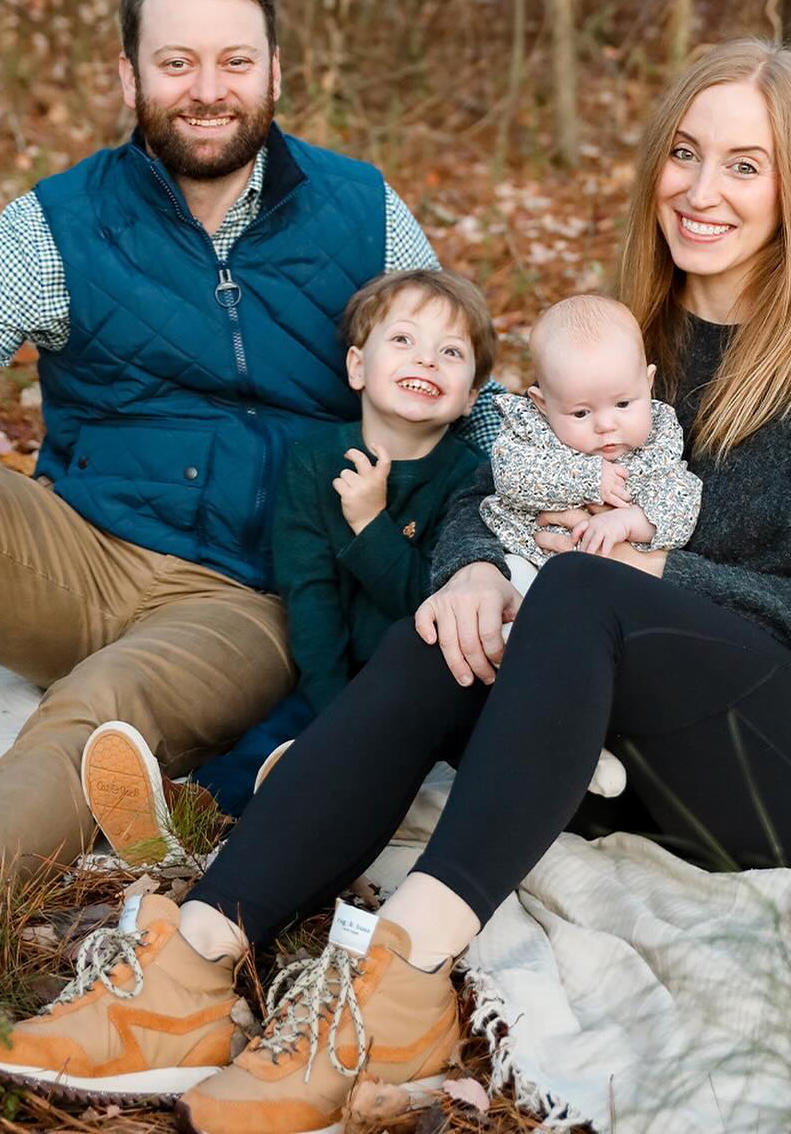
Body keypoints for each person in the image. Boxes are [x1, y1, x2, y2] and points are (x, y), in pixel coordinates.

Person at [0, 37, 791, 1131]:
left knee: (581, 588)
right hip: (654, 750)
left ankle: (403, 980)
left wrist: (661, 568)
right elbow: (495, 485)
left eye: (743, 164)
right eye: (684, 152)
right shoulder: (631, 334)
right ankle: (194, 965)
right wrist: (474, 568)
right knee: (452, 628)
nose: (700, 189)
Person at [0, 0, 498, 1069]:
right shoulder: (61, 222)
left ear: (276, 69)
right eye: (176, 59)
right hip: (75, 548)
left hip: (243, 599)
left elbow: (459, 381)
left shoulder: (359, 209)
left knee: (109, 700)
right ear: (129, 75)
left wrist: (509, 535)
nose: (208, 86)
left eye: (235, 59)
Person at [83, 267, 494, 865]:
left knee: (359, 759)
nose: (426, 360)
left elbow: (429, 605)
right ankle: (174, 819)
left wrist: (370, 526)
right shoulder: (312, 461)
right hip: (326, 675)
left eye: (451, 352)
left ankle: (285, 809)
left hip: (421, 687)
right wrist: (332, 711)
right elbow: (309, 595)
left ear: (472, 397)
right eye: (404, 340)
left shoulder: (470, 479)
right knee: (272, 737)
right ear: (357, 366)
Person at [480, 293, 702, 563]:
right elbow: (510, 476)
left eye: (622, 404)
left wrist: (627, 522)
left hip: (613, 575)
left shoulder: (658, 440)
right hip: (528, 556)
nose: (606, 425)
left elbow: (682, 506)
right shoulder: (532, 429)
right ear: (542, 404)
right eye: (581, 412)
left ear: (648, 383)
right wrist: (590, 477)